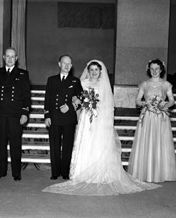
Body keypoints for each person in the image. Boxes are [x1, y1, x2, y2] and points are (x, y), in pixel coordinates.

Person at [42, 60, 161, 196]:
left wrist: (103, 118)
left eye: (96, 70)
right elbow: (77, 98)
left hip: (99, 118)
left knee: (98, 143)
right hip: (87, 118)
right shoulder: (82, 83)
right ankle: (82, 171)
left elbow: (107, 104)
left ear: (100, 72)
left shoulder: (104, 85)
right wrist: (83, 105)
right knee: (85, 141)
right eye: (91, 70)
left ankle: (99, 172)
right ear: (88, 71)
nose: (93, 72)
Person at [128, 59, 176, 183]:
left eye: (157, 69)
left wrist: (164, 105)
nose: (154, 71)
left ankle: (161, 172)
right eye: (152, 69)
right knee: (147, 141)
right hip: (148, 116)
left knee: (161, 142)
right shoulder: (144, 84)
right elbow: (137, 100)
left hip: (161, 117)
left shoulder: (166, 84)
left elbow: (172, 100)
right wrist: (146, 104)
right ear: (148, 70)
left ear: (161, 70)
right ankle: (146, 171)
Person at [0, 47, 31, 181]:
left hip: (15, 114)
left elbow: (26, 96)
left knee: (15, 144)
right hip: (0, 113)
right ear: (3, 57)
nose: (10, 59)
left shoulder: (23, 74)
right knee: (1, 144)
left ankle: (16, 172)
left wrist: (25, 112)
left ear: (16, 58)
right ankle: (0, 171)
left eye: (12, 56)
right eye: (8, 56)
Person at [44, 54, 83, 180]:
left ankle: (65, 171)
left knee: (67, 145)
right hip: (54, 117)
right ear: (59, 64)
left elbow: (81, 98)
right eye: (64, 63)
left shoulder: (75, 81)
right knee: (54, 145)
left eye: (69, 63)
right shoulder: (51, 80)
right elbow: (48, 99)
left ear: (71, 66)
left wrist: (70, 106)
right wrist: (47, 115)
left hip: (69, 118)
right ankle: (55, 172)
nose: (66, 65)